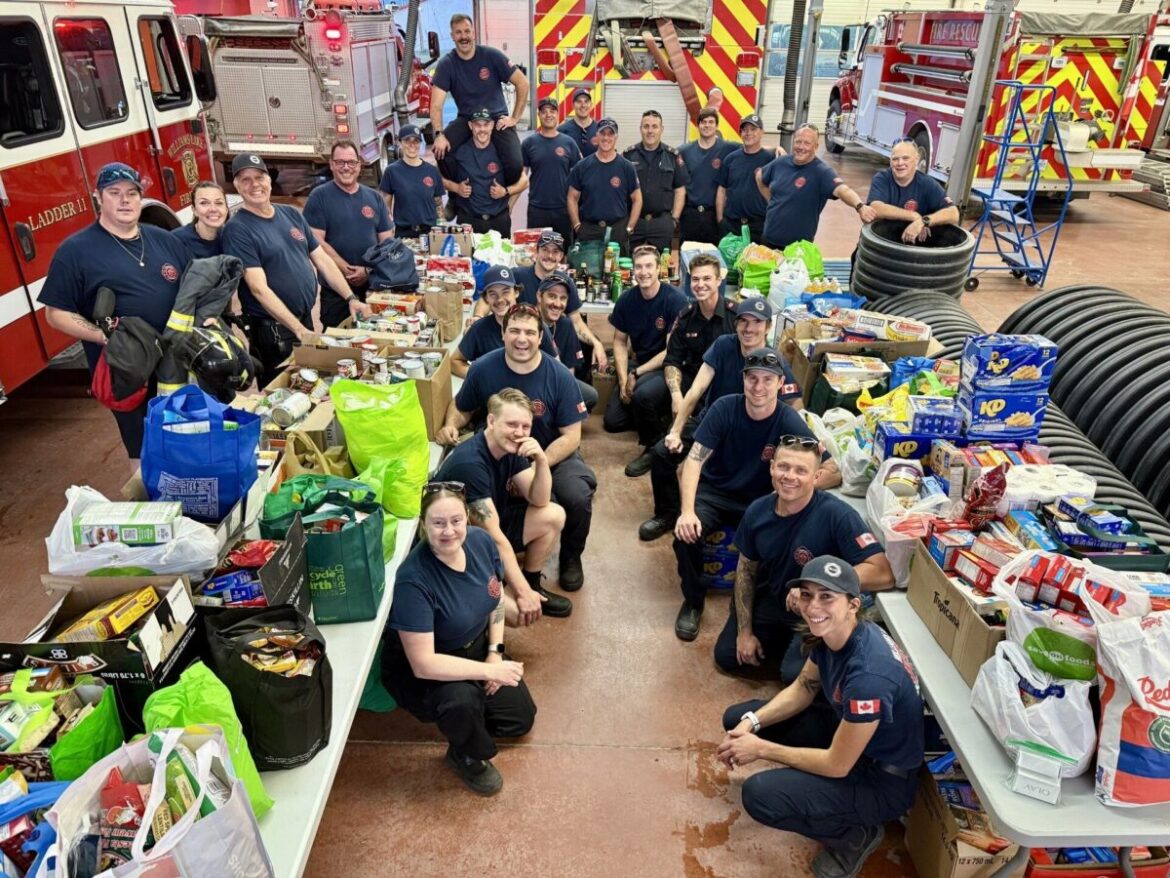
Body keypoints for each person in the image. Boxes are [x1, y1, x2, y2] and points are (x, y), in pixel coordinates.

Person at [718, 555, 922, 878]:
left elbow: (836, 765)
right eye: (807, 594)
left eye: (827, 596)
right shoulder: (832, 632)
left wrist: (760, 749)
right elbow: (803, 687)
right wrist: (751, 724)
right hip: (850, 733)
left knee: (759, 796)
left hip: (881, 779)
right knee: (737, 716)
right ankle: (816, 789)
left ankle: (854, 834)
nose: (814, 606)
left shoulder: (869, 676)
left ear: (854, 604)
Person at [672, 351, 841, 642]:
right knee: (685, 535)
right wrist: (687, 511)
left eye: (767, 379)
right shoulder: (725, 408)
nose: (758, 386)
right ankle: (693, 601)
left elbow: (832, 468)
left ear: (779, 384)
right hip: (715, 493)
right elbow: (694, 460)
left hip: (762, 501)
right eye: (752, 378)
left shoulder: (789, 422)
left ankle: (764, 602)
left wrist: (797, 487)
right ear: (743, 380)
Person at [383, 484, 536, 797]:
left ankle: (466, 719)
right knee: (460, 703)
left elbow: (494, 599)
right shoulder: (414, 580)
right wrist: (487, 673)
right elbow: (424, 664)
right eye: (438, 523)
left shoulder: (480, 542)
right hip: (426, 668)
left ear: (467, 518)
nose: (449, 531)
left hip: (475, 647)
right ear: (423, 525)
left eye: (456, 521)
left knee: (520, 718)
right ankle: (466, 753)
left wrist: (495, 653)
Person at [438, 304, 596, 591]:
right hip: (500, 454)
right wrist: (451, 424)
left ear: (540, 338)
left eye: (529, 333)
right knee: (498, 513)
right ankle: (502, 571)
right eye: (514, 331)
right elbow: (462, 407)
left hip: (551, 452)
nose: (521, 339)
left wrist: (537, 461)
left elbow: (572, 436)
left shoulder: (559, 375)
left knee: (576, 495)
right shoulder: (484, 367)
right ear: (503, 333)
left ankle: (571, 557)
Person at [41, 162, 192, 461]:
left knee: (187, 443)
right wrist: (102, 336)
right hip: (127, 372)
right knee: (143, 454)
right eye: (114, 192)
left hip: (176, 364)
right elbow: (55, 313)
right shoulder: (76, 251)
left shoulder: (164, 239)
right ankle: (149, 505)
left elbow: (191, 291)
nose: (125, 200)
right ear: (98, 197)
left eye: (131, 193)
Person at [715, 439, 893, 682]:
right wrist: (744, 632)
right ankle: (795, 651)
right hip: (776, 599)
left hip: (820, 612)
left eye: (801, 470)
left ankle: (807, 657)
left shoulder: (838, 515)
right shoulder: (757, 511)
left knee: (792, 676)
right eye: (783, 467)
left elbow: (883, 573)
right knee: (727, 655)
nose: (790, 476)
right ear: (771, 468)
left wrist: (816, 588)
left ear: (817, 476)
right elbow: (746, 571)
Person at [640, 298, 802, 542]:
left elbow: (795, 404)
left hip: (746, 434)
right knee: (662, 453)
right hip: (710, 422)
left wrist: (791, 442)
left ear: (768, 327)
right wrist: (675, 430)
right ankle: (668, 514)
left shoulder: (773, 361)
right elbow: (695, 391)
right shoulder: (724, 346)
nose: (749, 329)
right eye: (743, 322)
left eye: (756, 323)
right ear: (736, 325)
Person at [220, 153, 368, 384]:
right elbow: (258, 289)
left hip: (302, 322)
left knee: (310, 386)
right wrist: (297, 329)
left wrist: (350, 297)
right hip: (275, 332)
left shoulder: (289, 214)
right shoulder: (238, 229)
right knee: (284, 392)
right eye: (245, 180)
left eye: (259, 177)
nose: (254, 185)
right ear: (237, 187)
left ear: (270, 180)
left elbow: (323, 260)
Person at [435, 389, 572, 618]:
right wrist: (522, 594)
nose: (519, 433)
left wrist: (541, 460)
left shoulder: (511, 447)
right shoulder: (470, 463)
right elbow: (495, 539)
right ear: (491, 420)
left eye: (525, 427)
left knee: (553, 515)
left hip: (487, 529)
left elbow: (539, 499)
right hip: (455, 544)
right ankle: (489, 624)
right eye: (511, 424)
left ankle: (532, 582)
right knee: (516, 614)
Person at [603, 244, 688, 477]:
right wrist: (622, 380)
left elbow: (670, 351)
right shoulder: (627, 300)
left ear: (658, 268)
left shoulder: (675, 300)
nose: (643, 272)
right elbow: (619, 342)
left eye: (649, 266)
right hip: (639, 363)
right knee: (612, 421)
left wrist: (636, 374)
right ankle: (655, 416)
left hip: (667, 366)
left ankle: (653, 447)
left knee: (641, 395)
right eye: (639, 267)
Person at [303, 140, 394, 328]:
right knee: (337, 344)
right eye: (340, 162)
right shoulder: (319, 197)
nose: (346, 168)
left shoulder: (374, 197)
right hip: (335, 291)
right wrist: (346, 269)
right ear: (331, 165)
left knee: (375, 339)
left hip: (373, 286)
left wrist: (368, 270)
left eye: (351, 162)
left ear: (359, 165)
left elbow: (387, 242)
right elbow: (315, 241)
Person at [430, 13, 528, 186]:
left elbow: (523, 83)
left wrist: (514, 118)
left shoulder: (492, 56)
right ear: (452, 36)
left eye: (467, 31)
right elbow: (436, 105)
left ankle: (499, 196)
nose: (464, 36)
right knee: (442, 152)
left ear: (473, 33)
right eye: (458, 32)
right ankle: (458, 194)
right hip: (467, 118)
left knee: (514, 164)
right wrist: (439, 135)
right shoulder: (447, 64)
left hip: (496, 118)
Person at [511, 230, 607, 376]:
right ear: (536, 252)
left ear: (561, 256)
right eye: (545, 250)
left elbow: (576, 321)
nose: (550, 256)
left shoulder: (566, 281)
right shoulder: (517, 275)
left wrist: (597, 343)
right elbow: (490, 297)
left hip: (554, 345)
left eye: (555, 251)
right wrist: (478, 316)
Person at [757, 125, 866, 251]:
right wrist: (769, 199)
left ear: (816, 146)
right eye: (798, 141)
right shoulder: (780, 163)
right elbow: (760, 176)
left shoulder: (822, 172)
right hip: (768, 241)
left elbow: (843, 190)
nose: (801, 147)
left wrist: (860, 206)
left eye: (807, 143)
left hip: (798, 249)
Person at [453, 265, 556, 377]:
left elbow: (556, 368)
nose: (500, 299)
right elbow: (454, 361)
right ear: (486, 298)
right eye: (493, 294)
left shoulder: (535, 325)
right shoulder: (479, 329)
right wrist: (484, 377)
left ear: (516, 292)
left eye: (505, 292)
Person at [442, 109, 528, 236]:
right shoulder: (460, 152)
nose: (482, 129)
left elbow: (524, 181)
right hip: (468, 221)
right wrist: (456, 188)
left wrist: (505, 192)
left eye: (486, 125)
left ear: (492, 126)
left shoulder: (503, 151)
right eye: (477, 125)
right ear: (471, 126)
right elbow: (437, 176)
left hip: (498, 222)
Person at [859, 137, 961, 243]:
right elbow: (875, 208)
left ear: (916, 160)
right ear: (890, 161)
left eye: (905, 158)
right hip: (879, 244)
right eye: (895, 159)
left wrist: (924, 221)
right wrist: (914, 216)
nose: (900, 163)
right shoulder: (882, 179)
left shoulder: (927, 184)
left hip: (911, 249)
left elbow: (954, 214)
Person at [567, 118, 641, 255]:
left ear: (616, 137)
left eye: (610, 134)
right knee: (587, 273)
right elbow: (572, 197)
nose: (606, 137)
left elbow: (637, 199)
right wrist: (577, 226)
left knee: (618, 274)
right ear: (597, 136)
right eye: (603, 133)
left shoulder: (627, 167)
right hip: (589, 230)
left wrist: (629, 228)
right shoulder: (582, 166)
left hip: (617, 231)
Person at [624, 110, 689, 253]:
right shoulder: (628, 155)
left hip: (662, 223)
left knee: (662, 269)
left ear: (661, 129)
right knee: (629, 266)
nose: (650, 131)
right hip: (635, 221)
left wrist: (674, 220)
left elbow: (680, 190)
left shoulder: (673, 156)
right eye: (646, 126)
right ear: (640, 128)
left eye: (654, 126)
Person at [522, 97, 582, 243]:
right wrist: (508, 203)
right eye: (544, 111)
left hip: (563, 209)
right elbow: (521, 177)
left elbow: (580, 177)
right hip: (537, 209)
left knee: (563, 253)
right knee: (534, 251)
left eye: (552, 111)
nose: (548, 115)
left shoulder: (569, 143)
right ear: (539, 115)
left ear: (558, 114)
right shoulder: (529, 143)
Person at [536, 272, 598, 412]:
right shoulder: (529, 321)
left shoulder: (565, 324)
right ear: (539, 296)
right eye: (552, 296)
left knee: (590, 395)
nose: (557, 304)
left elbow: (569, 372)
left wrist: (567, 395)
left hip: (556, 382)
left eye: (563, 298)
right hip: (531, 384)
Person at [679, 107, 739, 246]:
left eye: (711, 122)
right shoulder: (684, 151)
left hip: (714, 216)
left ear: (717, 125)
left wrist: (775, 149)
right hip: (690, 215)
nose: (707, 125)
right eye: (703, 122)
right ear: (698, 125)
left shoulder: (727, 148)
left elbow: (752, 148)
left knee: (714, 262)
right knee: (688, 259)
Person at [716, 114, 773, 244]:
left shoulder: (770, 160)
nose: (748, 133)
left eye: (753, 129)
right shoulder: (730, 159)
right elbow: (721, 189)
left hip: (758, 226)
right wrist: (720, 219)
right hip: (732, 226)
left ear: (762, 132)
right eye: (745, 130)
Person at [378, 124, 444, 237]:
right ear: (400, 143)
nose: (412, 145)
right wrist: (388, 234)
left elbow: (438, 204)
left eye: (416, 141)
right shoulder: (392, 171)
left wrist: (441, 230)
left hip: (429, 233)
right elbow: (385, 208)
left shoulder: (432, 171)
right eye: (407, 141)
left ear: (420, 143)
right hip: (403, 234)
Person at [172, 180, 227, 259]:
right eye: (204, 203)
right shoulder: (177, 241)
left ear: (226, 209)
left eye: (219, 203)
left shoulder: (232, 237)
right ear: (194, 210)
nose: (213, 209)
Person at [557, 87, 598, 158]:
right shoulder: (562, 131)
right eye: (579, 102)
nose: (583, 105)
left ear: (591, 105)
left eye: (586, 101)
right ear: (573, 105)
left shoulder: (600, 130)